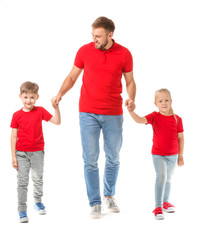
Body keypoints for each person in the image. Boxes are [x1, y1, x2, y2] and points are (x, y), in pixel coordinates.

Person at [52, 16, 136, 218]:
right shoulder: (84, 50)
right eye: (93, 35)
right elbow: (72, 76)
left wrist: (131, 99)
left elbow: (130, 81)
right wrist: (60, 94)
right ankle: (95, 202)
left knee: (113, 158)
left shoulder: (124, 53)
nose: (95, 39)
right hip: (87, 112)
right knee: (90, 159)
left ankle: (109, 195)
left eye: (98, 36)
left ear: (110, 35)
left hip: (113, 113)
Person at [127, 88, 184, 220]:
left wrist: (180, 155)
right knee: (161, 177)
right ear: (155, 104)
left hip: (173, 155)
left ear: (171, 101)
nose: (164, 103)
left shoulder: (177, 119)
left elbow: (181, 138)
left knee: (168, 178)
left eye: (166, 100)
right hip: (158, 154)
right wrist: (131, 112)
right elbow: (140, 120)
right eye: (160, 101)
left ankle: (165, 202)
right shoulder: (154, 116)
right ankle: (158, 207)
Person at [10, 81, 61, 223]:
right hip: (21, 153)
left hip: (37, 152)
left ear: (37, 97)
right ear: (20, 97)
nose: (29, 100)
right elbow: (13, 136)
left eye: (32, 97)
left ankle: (38, 201)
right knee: (22, 182)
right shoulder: (16, 115)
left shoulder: (40, 111)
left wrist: (56, 108)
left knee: (38, 179)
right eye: (25, 97)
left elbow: (57, 121)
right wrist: (13, 156)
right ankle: (22, 210)